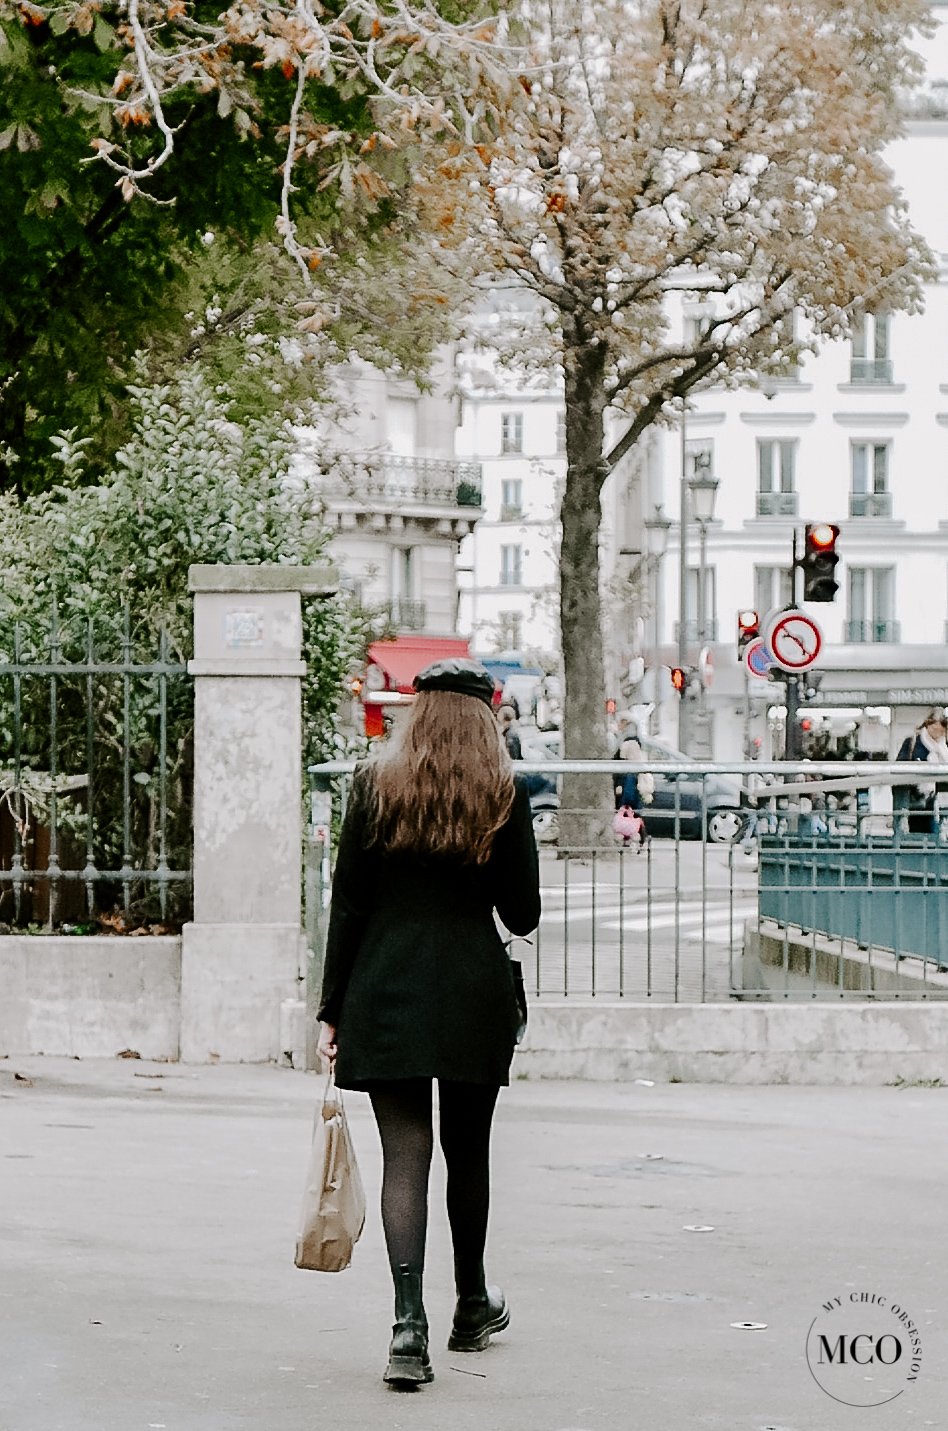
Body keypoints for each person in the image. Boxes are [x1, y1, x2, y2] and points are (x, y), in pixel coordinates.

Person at [316, 657, 541, 1388]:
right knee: (467, 1152)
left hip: (383, 991)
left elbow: (347, 904)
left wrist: (330, 1009)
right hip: (472, 995)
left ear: (416, 714)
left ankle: (407, 1328)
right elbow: (523, 913)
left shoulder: (372, 786)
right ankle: (471, 1304)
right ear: (486, 718)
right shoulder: (502, 792)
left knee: (404, 1158)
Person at [894, 710, 948, 835]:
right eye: (933, 726)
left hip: (940, 798)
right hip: (917, 799)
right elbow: (900, 765)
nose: (937, 730)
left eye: (941, 728)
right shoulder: (912, 742)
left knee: (939, 833)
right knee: (919, 833)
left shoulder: (944, 746)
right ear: (927, 725)